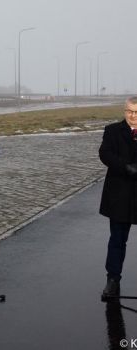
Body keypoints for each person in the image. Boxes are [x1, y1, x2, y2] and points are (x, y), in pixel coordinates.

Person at [99, 96, 137, 299]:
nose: (132, 116)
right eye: (129, 111)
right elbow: (105, 153)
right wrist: (125, 167)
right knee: (117, 239)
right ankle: (113, 279)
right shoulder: (112, 131)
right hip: (120, 194)